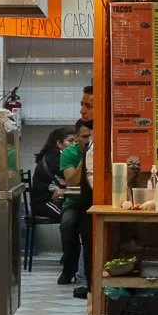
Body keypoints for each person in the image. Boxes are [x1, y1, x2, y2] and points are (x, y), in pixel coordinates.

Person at [58, 119, 94, 288]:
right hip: (73, 201)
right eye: (84, 137)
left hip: (91, 201)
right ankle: (67, 267)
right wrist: (86, 158)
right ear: (77, 138)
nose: (88, 140)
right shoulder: (69, 154)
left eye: (90, 136)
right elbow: (71, 181)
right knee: (68, 224)